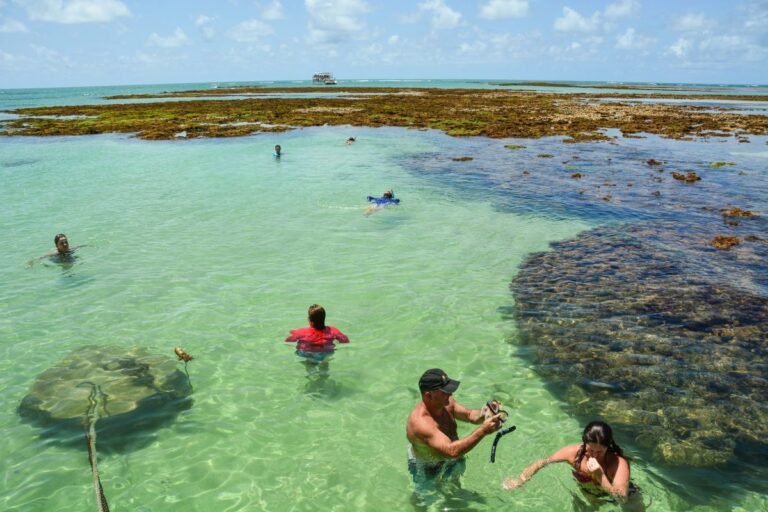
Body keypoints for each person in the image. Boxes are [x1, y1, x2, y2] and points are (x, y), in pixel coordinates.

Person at [406, 369, 503, 502]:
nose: (450, 393)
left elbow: (469, 415)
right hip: (427, 467)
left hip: (452, 457)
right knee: (424, 500)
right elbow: (451, 451)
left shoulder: (446, 402)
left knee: (452, 493)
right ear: (429, 396)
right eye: (445, 391)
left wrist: (484, 413)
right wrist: (483, 431)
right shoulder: (421, 423)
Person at [502, 420, 643, 509]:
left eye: (599, 452)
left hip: (624, 494)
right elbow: (542, 462)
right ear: (584, 443)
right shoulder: (573, 453)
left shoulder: (618, 463)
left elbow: (621, 498)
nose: (593, 455)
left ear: (608, 446)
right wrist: (520, 480)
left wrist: (600, 475)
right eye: (590, 450)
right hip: (589, 492)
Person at [285, 304, 349, 364]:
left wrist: (295, 332)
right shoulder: (333, 330)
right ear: (324, 318)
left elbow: (288, 340)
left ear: (311, 322)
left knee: (309, 364)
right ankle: (324, 372)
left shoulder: (302, 331)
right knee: (325, 363)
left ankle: (310, 372)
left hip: (307, 353)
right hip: (326, 352)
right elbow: (345, 340)